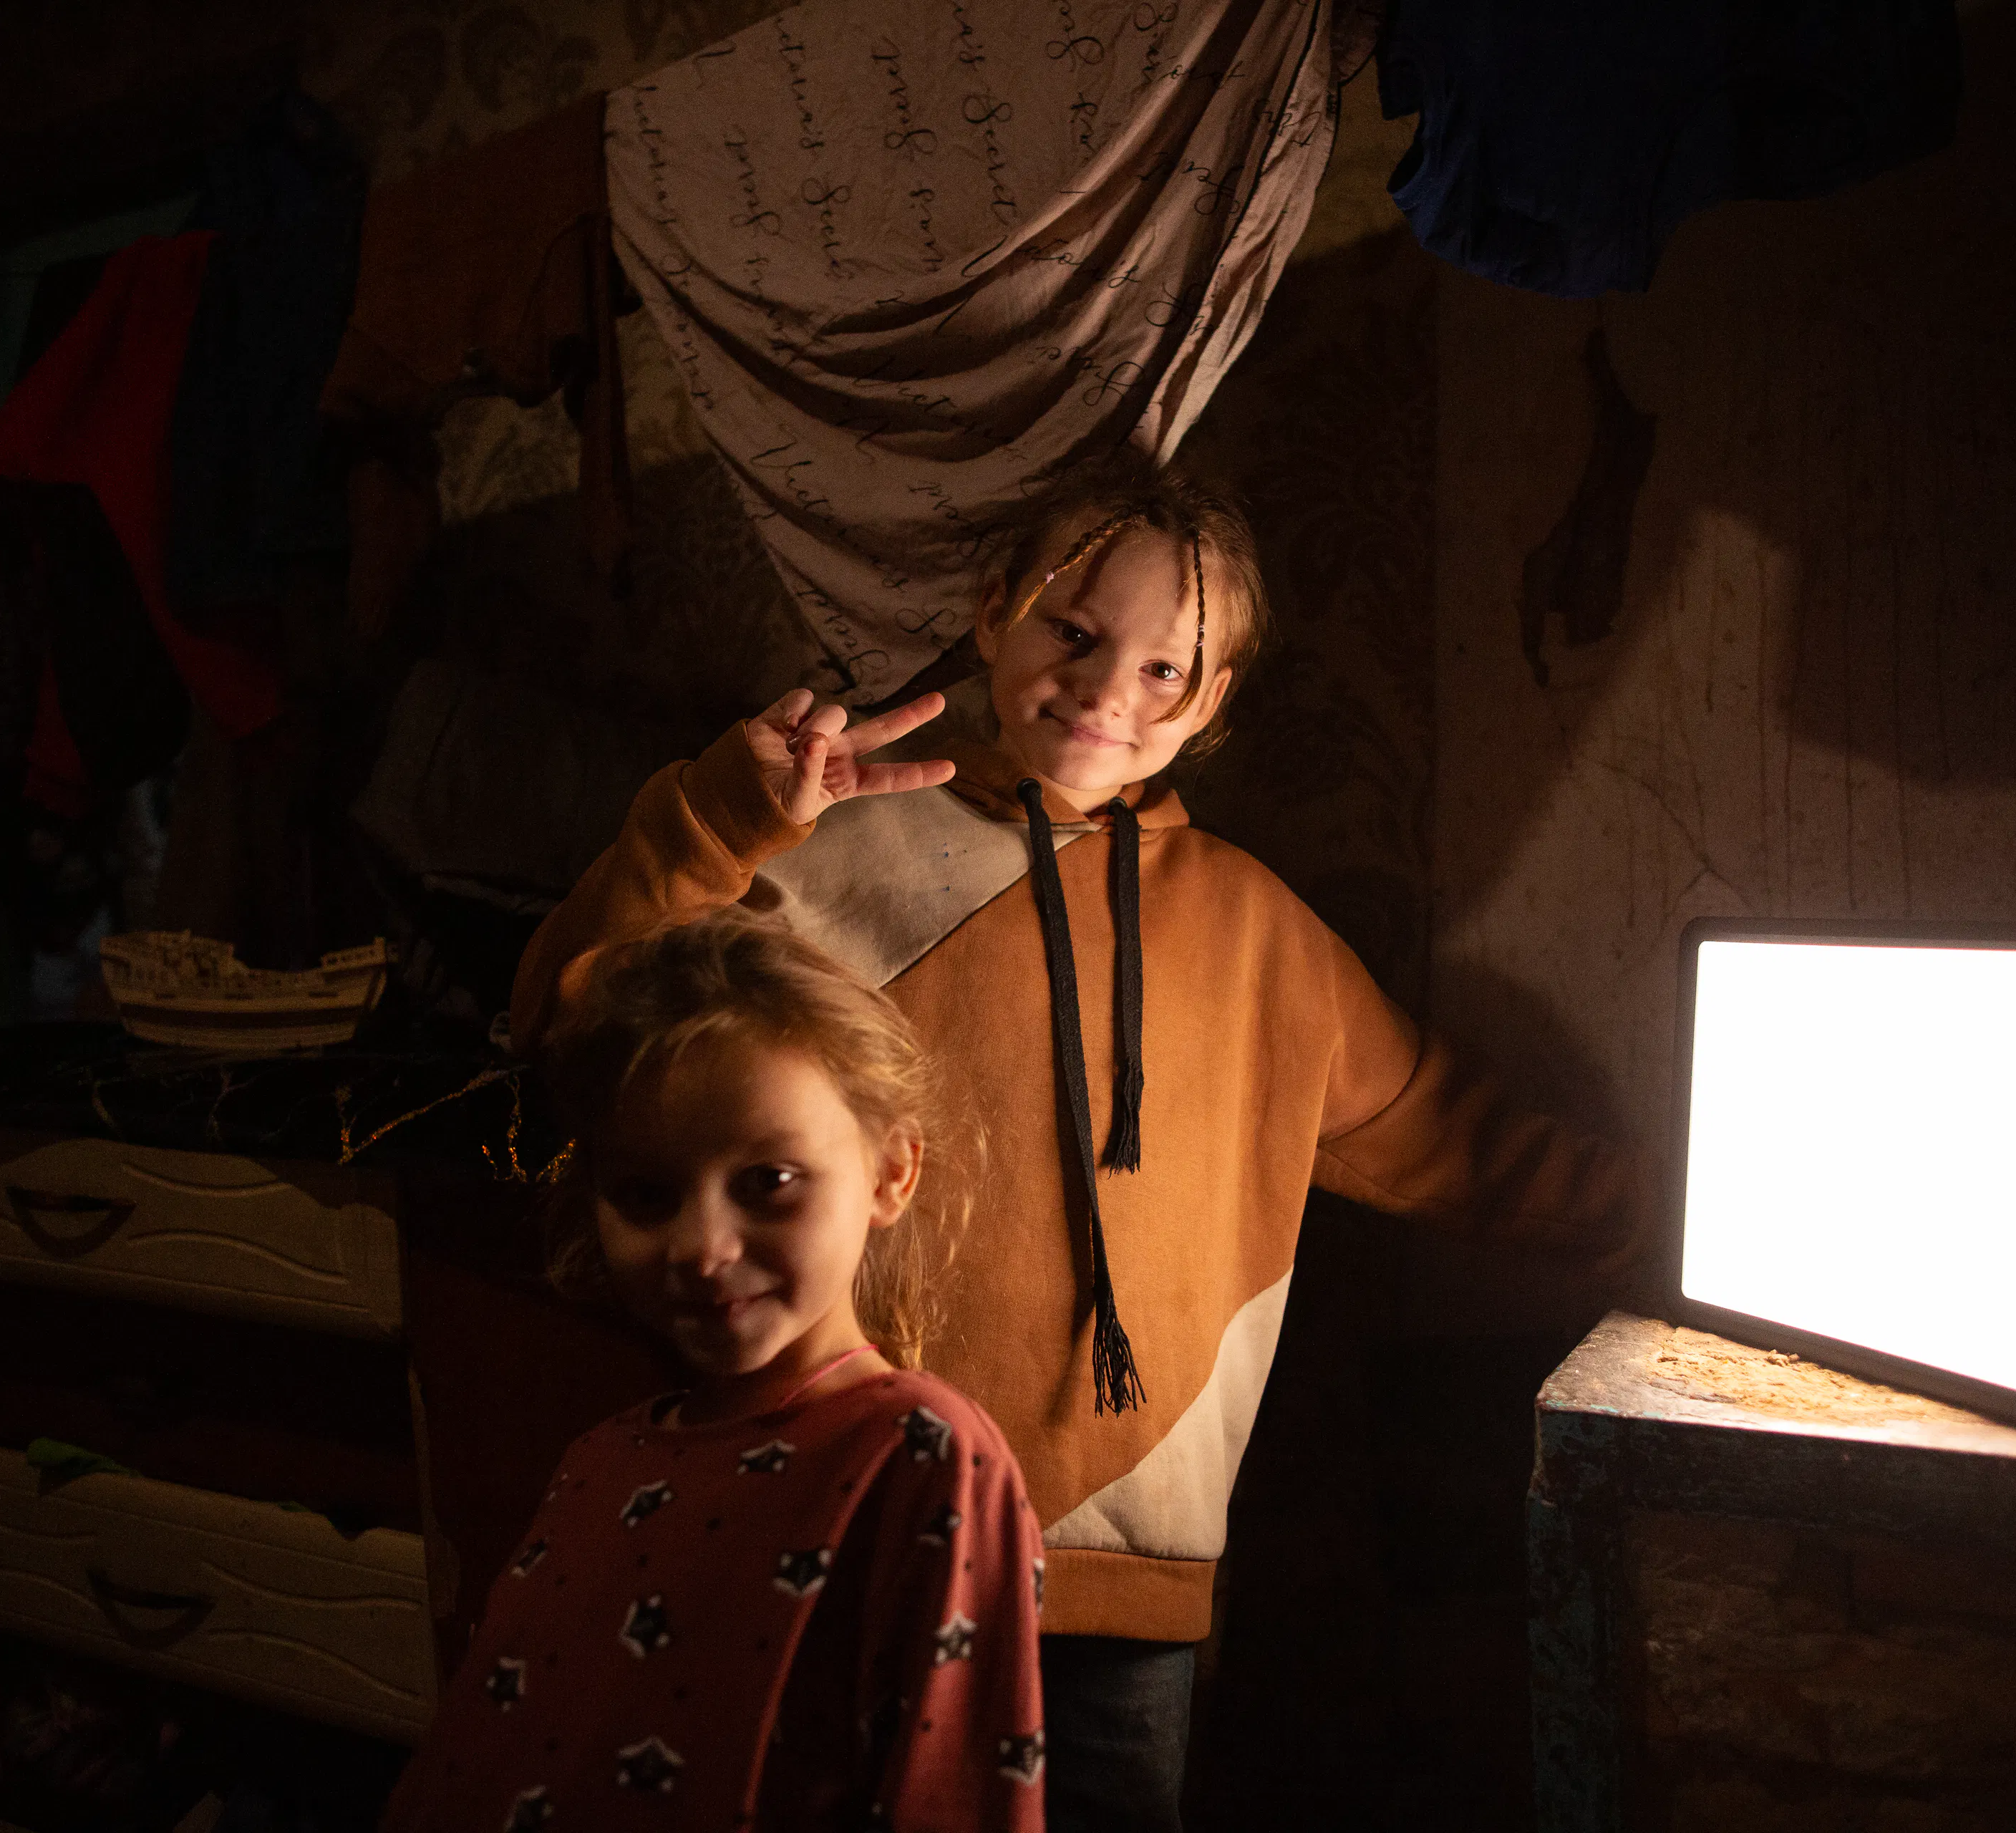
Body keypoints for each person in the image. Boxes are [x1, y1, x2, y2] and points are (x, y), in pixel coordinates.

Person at [507, 448, 1642, 1832]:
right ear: (996, 609)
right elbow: (573, 1023)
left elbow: (1458, 1142)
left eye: (1168, 670)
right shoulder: (825, 850)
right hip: (848, 1529)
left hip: (1129, 1584)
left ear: (1214, 697)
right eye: (1077, 631)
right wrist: (713, 823)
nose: (1112, 692)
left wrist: (1703, 1230)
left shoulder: (1255, 931)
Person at [387, 915, 1046, 1832]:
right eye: (647, 1195)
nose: (702, 1250)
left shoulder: (918, 1452)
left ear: (891, 1171)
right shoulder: (601, 1457)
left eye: (769, 1182)